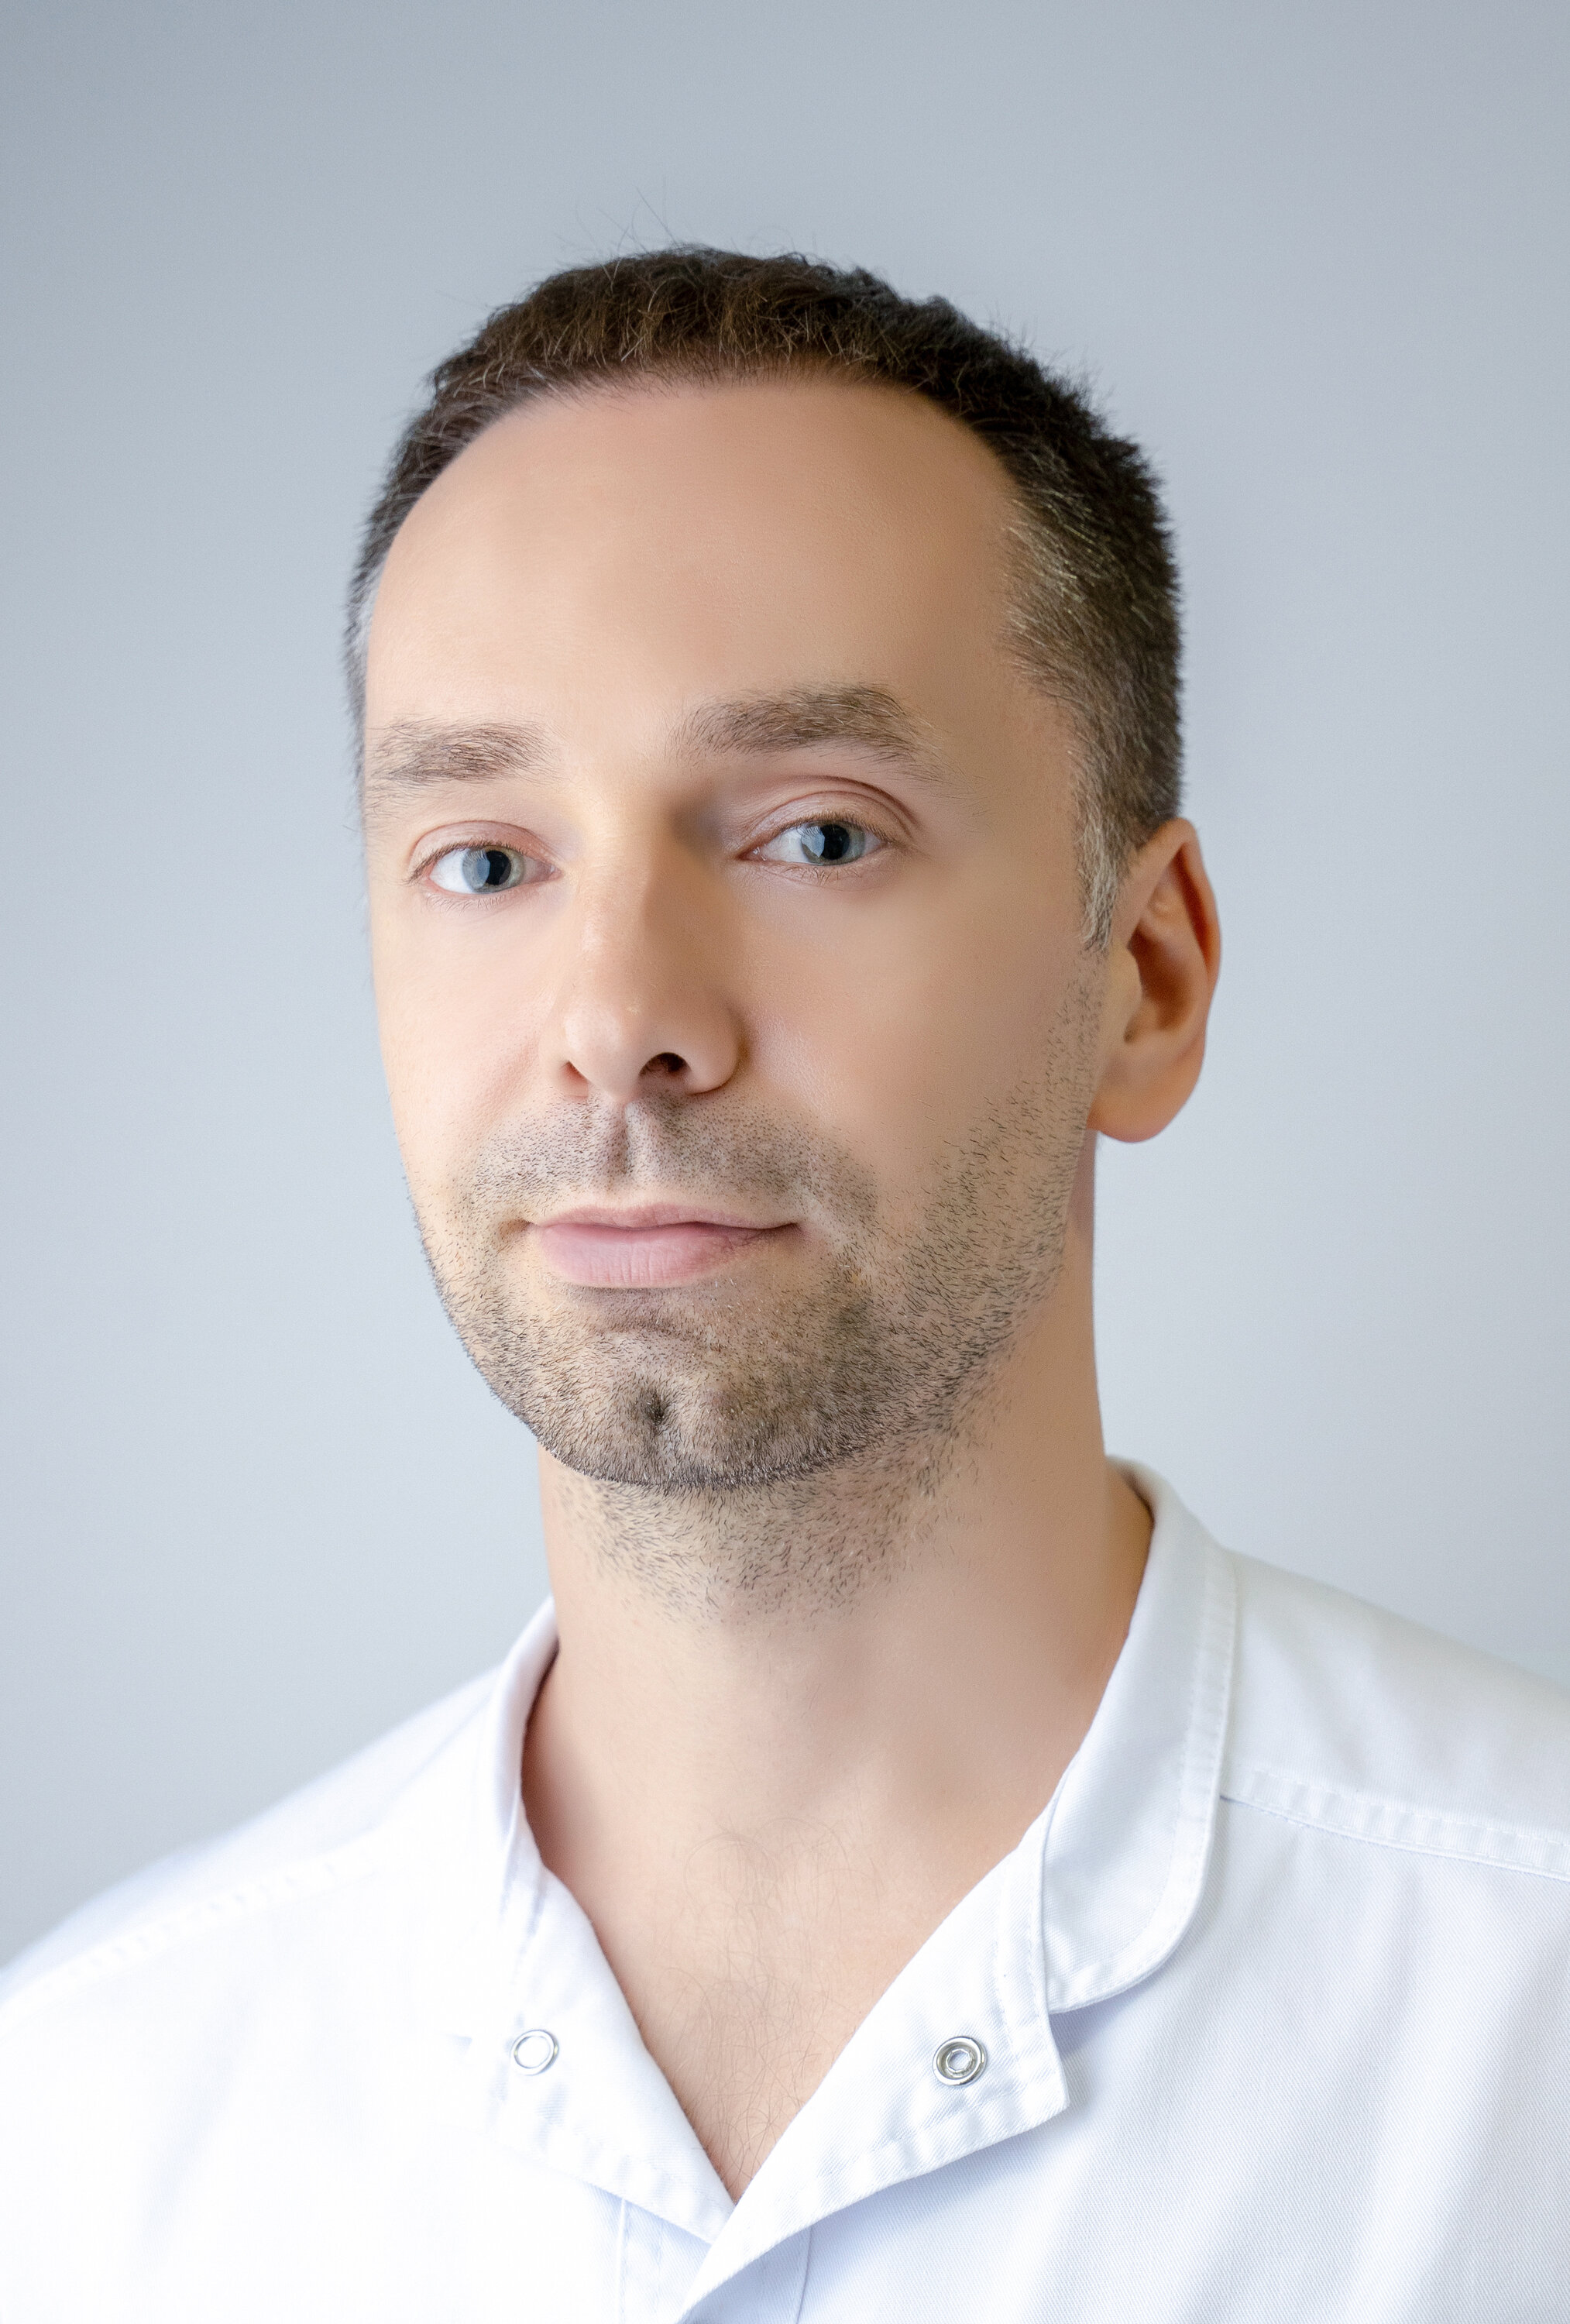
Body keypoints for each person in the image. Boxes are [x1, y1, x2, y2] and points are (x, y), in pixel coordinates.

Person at [2, 247, 1566, 2322]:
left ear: (1146, 977)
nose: (617, 1022)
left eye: (817, 836)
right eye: (487, 859)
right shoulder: (80, 2136)